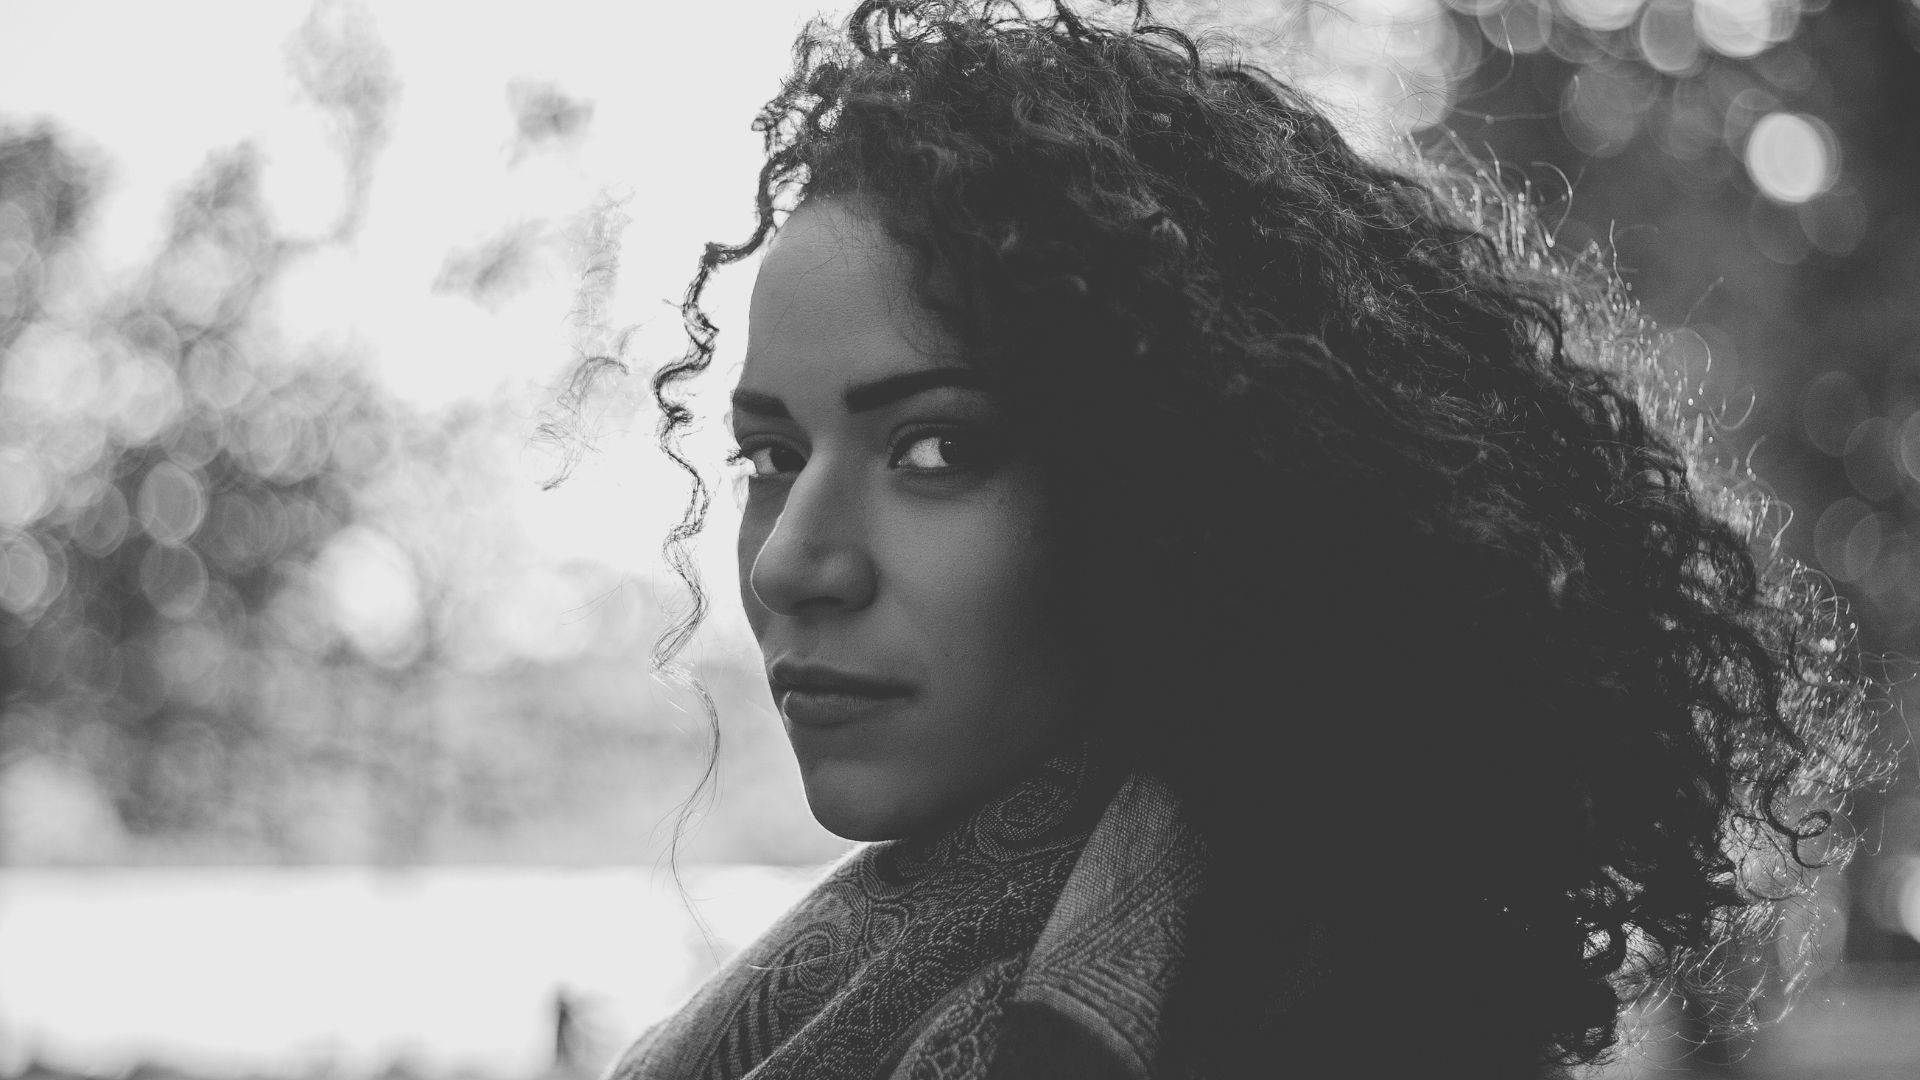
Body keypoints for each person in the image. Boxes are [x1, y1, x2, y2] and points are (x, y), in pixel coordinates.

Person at [585, 2, 1887, 1077]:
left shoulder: (1323, 1030)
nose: (787, 562)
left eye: (935, 450)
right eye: (771, 457)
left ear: (1179, 488)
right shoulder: (858, 998)